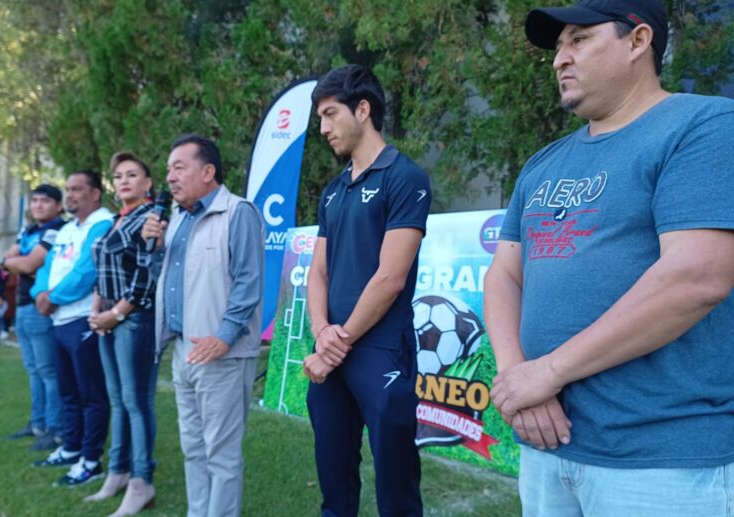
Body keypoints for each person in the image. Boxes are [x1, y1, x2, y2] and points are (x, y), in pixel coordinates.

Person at [484, 1, 734, 515]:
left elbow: (697, 277)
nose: (560, 58)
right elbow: (504, 274)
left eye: (579, 39)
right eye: (558, 47)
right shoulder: (543, 163)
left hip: (660, 460)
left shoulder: (704, 126)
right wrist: (517, 380)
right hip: (546, 445)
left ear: (638, 41)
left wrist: (548, 372)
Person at [302, 64, 431, 517]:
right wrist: (321, 332)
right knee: (334, 485)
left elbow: (390, 277)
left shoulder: (405, 177)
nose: (323, 129)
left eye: (330, 114)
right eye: (320, 118)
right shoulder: (333, 191)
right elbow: (317, 272)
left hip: (380, 351)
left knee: (397, 491)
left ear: (362, 110)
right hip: (331, 349)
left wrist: (337, 343)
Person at [141, 134, 264, 517]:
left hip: (222, 355)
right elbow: (166, 281)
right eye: (168, 169)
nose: (170, 177)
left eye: (179, 168)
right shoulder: (176, 220)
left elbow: (248, 282)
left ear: (208, 171)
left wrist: (224, 337)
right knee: (193, 448)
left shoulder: (238, 212)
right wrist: (153, 248)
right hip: (184, 351)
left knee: (221, 455)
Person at [85, 152, 160, 516]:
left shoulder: (151, 218)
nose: (124, 181)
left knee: (137, 402)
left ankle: (142, 481)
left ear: (148, 183)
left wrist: (114, 315)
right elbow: (103, 272)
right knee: (118, 401)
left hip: (134, 320)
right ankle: (118, 472)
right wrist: (95, 311)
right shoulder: (118, 219)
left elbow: (146, 277)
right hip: (107, 319)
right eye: (118, 176)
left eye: (132, 174)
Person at [31, 171, 113, 488]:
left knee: (90, 394)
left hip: (82, 319)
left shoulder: (102, 223)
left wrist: (52, 298)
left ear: (95, 193)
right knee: (68, 392)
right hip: (59, 321)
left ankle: (91, 461)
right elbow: (47, 266)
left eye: (77, 189)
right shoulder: (66, 229)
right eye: (68, 189)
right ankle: (71, 447)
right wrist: (40, 293)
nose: (70, 195)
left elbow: (86, 272)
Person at [1, 184, 67, 450]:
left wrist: (19, 264)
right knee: (33, 369)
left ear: (58, 206)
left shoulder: (57, 230)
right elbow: (11, 259)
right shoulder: (28, 230)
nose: (38, 205)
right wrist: (17, 264)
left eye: (45, 201)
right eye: (35, 200)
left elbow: (28, 264)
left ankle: (54, 427)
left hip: (41, 308)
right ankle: (37, 423)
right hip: (22, 306)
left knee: (49, 371)